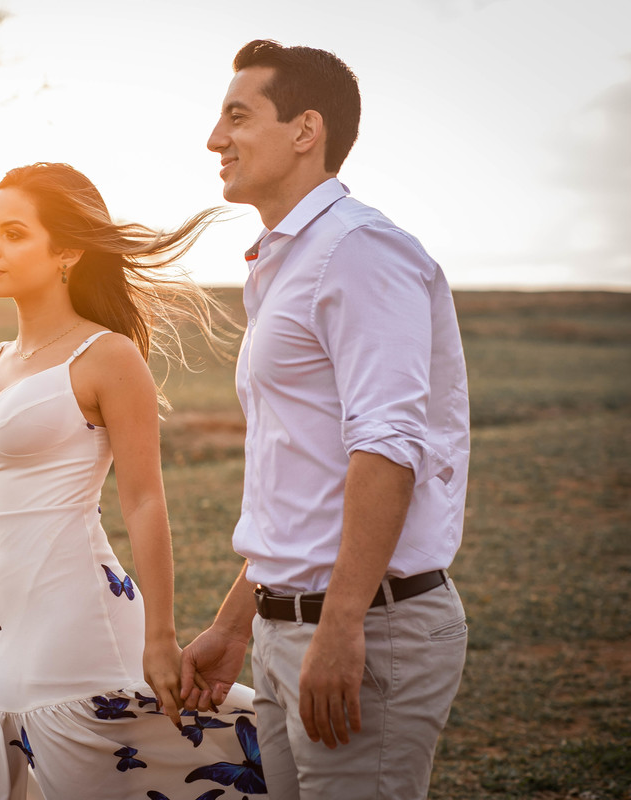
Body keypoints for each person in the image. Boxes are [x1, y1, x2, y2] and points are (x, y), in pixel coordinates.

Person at [0, 162, 269, 799]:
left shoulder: (107, 356)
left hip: (80, 624)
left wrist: (160, 634)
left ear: (68, 250)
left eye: (14, 233)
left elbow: (145, 500)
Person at [179, 39, 471, 800]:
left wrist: (343, 625)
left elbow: (387, 448)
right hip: (286, 629)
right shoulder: (282, 263)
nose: (215, 138)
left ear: (306, 131)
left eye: (238, 116)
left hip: (368, 630)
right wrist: (239, 622)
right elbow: (300, 474)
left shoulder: (359, 252)